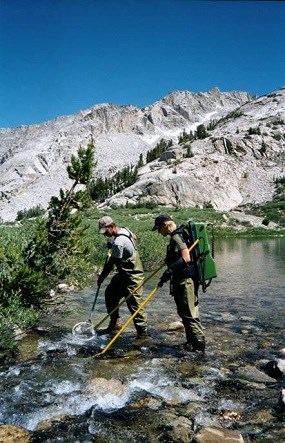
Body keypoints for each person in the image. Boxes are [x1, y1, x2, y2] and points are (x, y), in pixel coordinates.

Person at [152, 214, 205, 353]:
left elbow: (186, 257)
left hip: (185, 280)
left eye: (159, 228)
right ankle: (190, 344)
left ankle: (200, 350)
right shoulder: (177, 235)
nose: (158, 232)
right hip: (182, 279)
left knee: (189, 314)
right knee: (184, 312)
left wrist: (169, 271)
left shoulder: (176, 236)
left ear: (165, 225)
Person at [97, 216, 148, 338]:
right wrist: (115, 246)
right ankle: (115, 324)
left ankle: (143, 335)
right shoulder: (126, 230)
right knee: (110, 294)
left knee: (135, 306)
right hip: (123, 275)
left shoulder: (119, 242)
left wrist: (102, 277)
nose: (104, 235)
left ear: (111, 226)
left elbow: (111, 264)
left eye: (105, 231)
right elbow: (134, 237)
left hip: (132, 277)